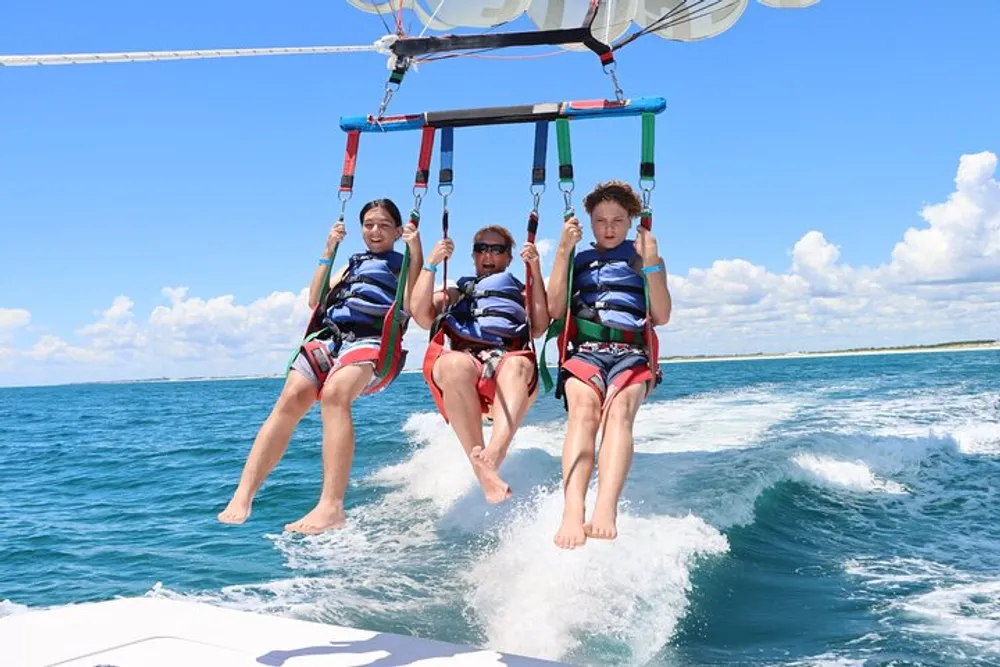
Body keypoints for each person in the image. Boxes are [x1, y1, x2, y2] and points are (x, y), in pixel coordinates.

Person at [217, 198, 422, 534]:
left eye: (384, 225)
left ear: (398, 231)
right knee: (291, 397)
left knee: (334, 395)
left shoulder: (402, 264)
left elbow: (414, 304)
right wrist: (329, 249)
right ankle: (244, 493)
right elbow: (316, 299)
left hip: (372, 342)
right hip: (332, 338)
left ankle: (331, 506)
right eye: (369, 224)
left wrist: (418, 251)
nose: (375, 230)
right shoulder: (353, 264)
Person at [545, 181, 672, 549]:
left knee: (618, 414)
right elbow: (555, 310)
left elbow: (660, 315)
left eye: (618, 220)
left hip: (632, 356)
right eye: (601, 221)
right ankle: (572, 510)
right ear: (590, 222)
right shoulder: (579, 260)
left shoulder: (645, 256)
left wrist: (649, 262)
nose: (610, 228)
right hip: (585, 352)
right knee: (583, 413)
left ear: (632, 220)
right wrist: (564, 251)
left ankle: (605, 507)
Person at [409, 225, 549, 503]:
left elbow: (540, 326)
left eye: (498, 250)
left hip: (510, 373)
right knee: (453, 364)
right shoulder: (459, 291)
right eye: (481, 249)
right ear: (473, 256)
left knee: (516, 365)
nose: (489, 254)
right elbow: (421, 315)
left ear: (509, 258)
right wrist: (431, 264)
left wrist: (534, 268)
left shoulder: (522, 291)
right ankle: (483, 471)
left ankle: (494, 453)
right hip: (467, 374)